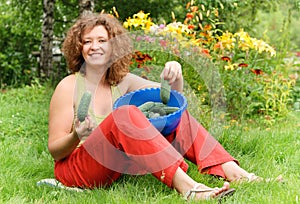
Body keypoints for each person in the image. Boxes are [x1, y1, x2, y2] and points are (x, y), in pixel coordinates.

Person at [48, 12, 266, 201]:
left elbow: (172, 101)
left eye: (101, 41)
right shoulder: (68, 87)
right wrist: (77, 134)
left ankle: (235, 172)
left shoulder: (123, 82)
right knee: (124, 114)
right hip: (76, 169)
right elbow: (56, 151)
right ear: (78, 48)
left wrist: (175, 73)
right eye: (87, 42)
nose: (94, 47)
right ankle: (190, 189)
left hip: (113, 165)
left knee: (171, 115)